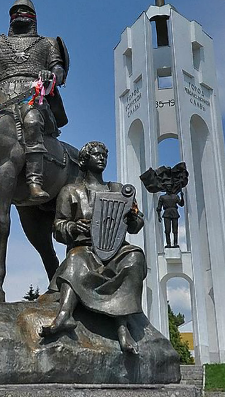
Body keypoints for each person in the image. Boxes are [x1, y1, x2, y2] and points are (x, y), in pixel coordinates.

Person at [41, 141, 146, 354]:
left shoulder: (118, 189)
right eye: (96, 155)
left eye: (104, 155)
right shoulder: (71, 191)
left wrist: (134, 217)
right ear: (84, 160)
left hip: (116, 251)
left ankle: (123, 329)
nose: (101, 158)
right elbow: (58, 226)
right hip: (84, 248)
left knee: (135, 258)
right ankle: (64, 315)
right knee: (75, 261)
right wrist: (72, 226)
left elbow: (135, 226)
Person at [0, 0, 68, 201]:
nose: (18, 13)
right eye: (14, 12)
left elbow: (59, 71)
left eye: (23, 11)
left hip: (33, 95)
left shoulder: (47, 43)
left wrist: (51, 76)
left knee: (32, 121)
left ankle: (34, 181)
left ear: (34, 17)